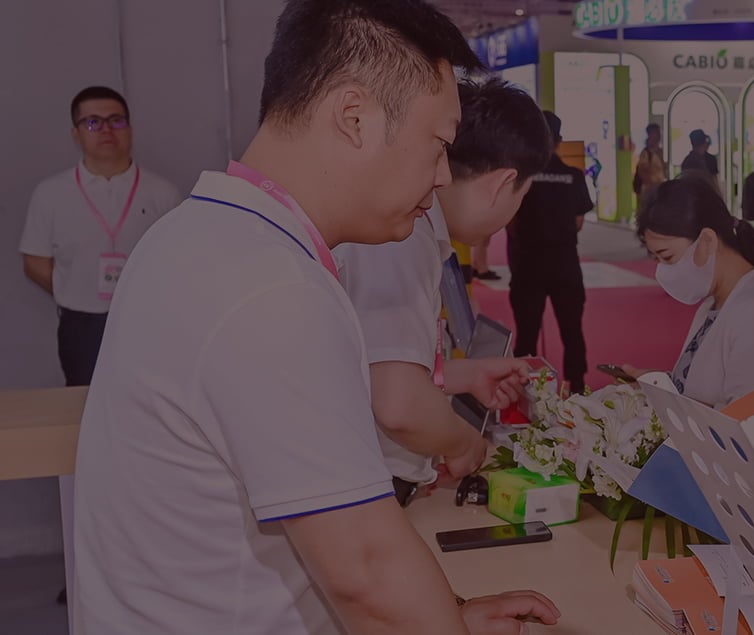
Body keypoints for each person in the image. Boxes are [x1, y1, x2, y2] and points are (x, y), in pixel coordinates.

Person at [69, 1, 560, 633]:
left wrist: (453, 615)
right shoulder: (270, 286)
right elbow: (364, 575)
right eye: (438, 144)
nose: (442, 176)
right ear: (354, 118)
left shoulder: (194, 234)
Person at [334, 77, 551, 498]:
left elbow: (372, 367)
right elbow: (397, 405)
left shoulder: (412, 234)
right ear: (501, 184)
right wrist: (466, 445)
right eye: (520, 197)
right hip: (368, 486)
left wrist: (462, 375)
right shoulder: (401, 238)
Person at [19, 86, 182, 387]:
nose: (106, 130)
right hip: (81, 322)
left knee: (147, 398)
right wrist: (75, 289)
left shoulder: (163, 192)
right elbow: (35, 262)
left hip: (145, 318)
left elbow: (176, 261)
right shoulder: (51, 193)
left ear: (130, 129)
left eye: (116, 120)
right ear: (76, 134)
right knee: (84, 400)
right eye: (93, 122)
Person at [625, 176, 754, 407]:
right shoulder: (714, 302)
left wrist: (671, 401)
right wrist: (660, 385)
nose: (662, 271)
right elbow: (701, 389)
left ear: (707, 240)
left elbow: (749, 421)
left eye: (668, 257)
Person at [508, 111, 594, 394]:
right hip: (565, 263)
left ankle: (526, 391)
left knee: (528, 333)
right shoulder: (573, 176)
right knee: (572, 330)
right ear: (559, 140)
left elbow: (509, 220)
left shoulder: (521, 178)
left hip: (528, 265)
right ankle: (577, 386)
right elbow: (579, 222)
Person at [679, 128, 721, 195]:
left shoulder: (687, 161)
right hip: (708, 195)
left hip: (690, 196)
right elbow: (714, 181)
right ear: (704, 142)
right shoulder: (710, 159)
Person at [634, 122, 667, 203]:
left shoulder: (660, 151)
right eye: (656, 133)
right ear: (650, 134)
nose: (659, 136)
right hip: (648, 191)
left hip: (659, 190)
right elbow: (643, 173)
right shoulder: (645, 153)